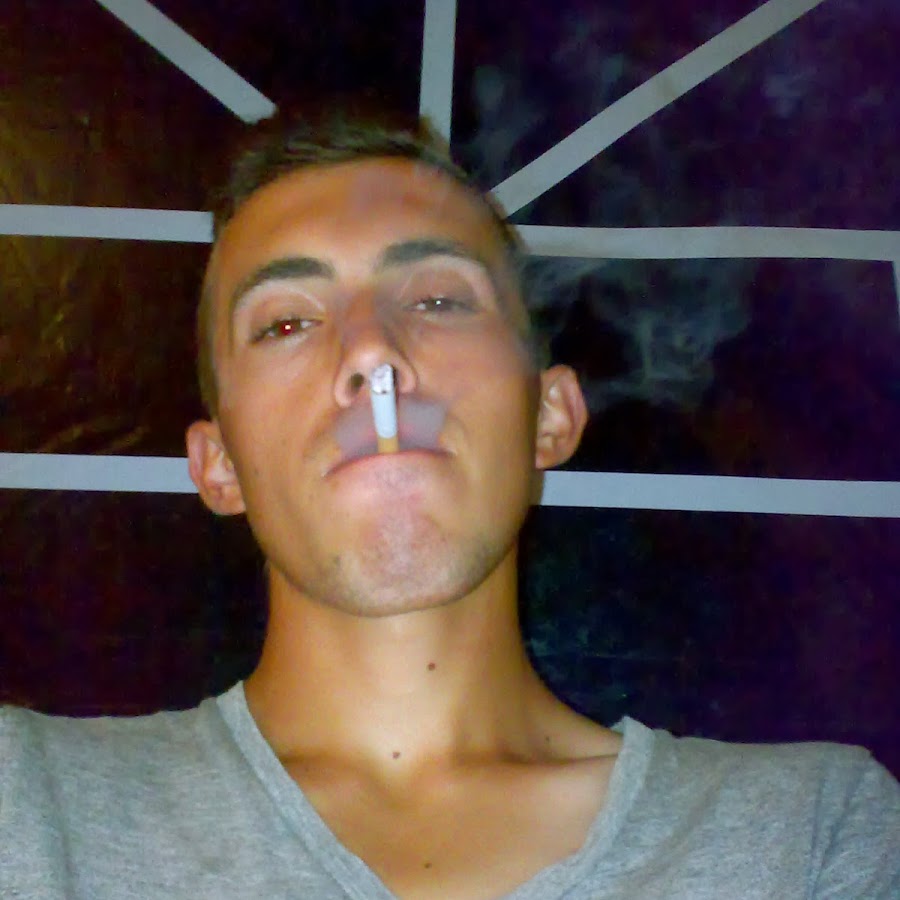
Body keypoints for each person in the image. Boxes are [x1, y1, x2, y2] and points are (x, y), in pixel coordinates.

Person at [2, 113, 898, 900]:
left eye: (437, 298)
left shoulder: (809, 836)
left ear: (550, 415)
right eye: (286, 323)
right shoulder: (31, 809)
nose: (373, 356)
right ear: (219, 463)